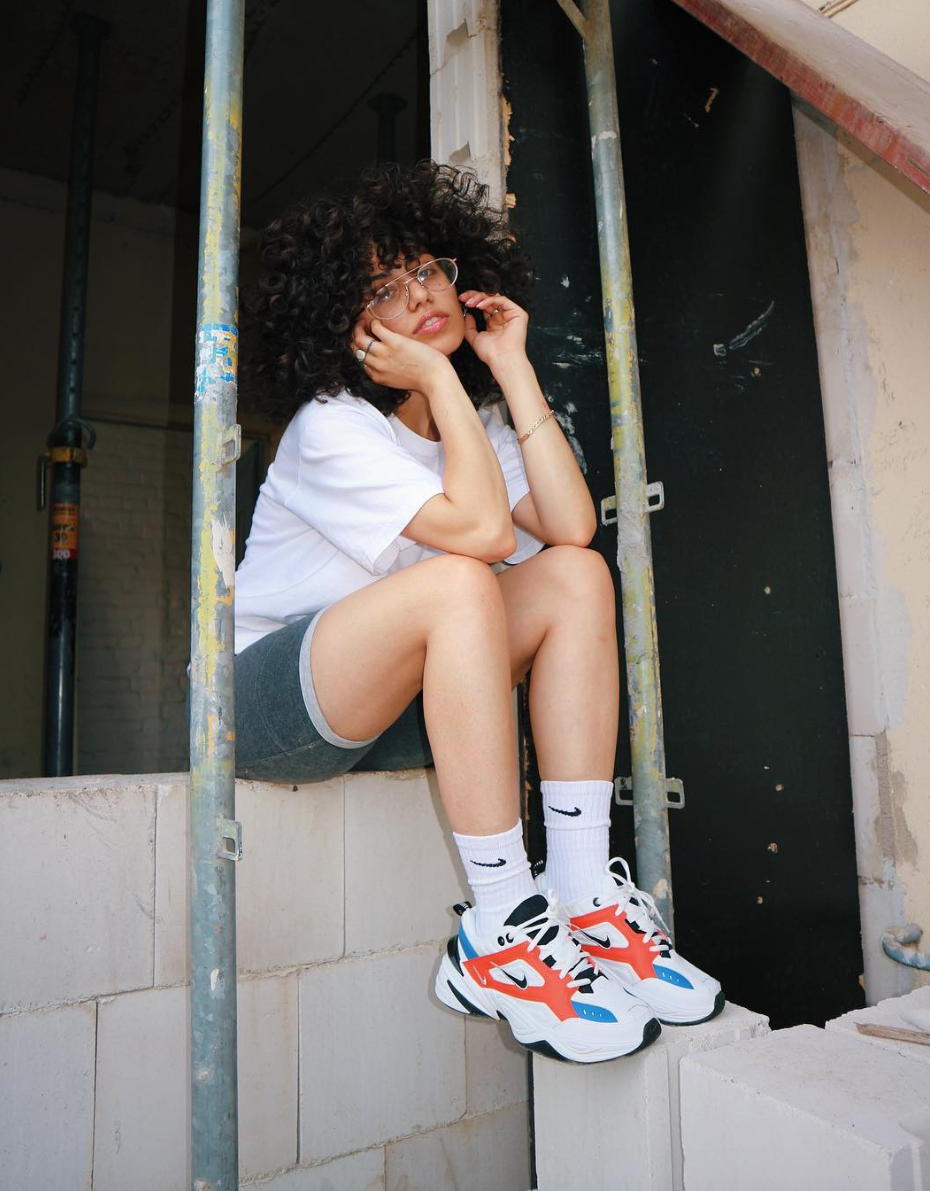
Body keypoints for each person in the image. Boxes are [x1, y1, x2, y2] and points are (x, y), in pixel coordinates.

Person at [235, 160, 722, 1064]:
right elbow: (487, 534)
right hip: (274, 708)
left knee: (577, 577)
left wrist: (508, 366)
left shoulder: (470, 422)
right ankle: (500, 928)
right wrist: (443, 378)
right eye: (384, 289)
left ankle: (583, 892)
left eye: (425, 269)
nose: (420, 293)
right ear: (348, 329)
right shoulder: (330, 426)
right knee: (462, 580)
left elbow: (572, 527)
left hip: (398, 707)